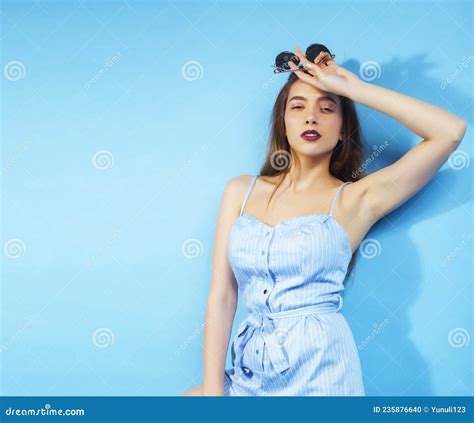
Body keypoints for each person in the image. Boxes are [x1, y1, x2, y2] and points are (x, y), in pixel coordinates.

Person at [181, 45, 467, 396]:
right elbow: (223, 294)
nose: (311, 118)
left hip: (321, 372)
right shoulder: (240, 191)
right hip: (251, 370)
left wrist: (351, 87)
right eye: (297, 107)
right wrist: (213, 395)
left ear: (344, 129)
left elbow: (449, 131)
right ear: (283, 124)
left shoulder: (355, 200)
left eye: (327, 108)